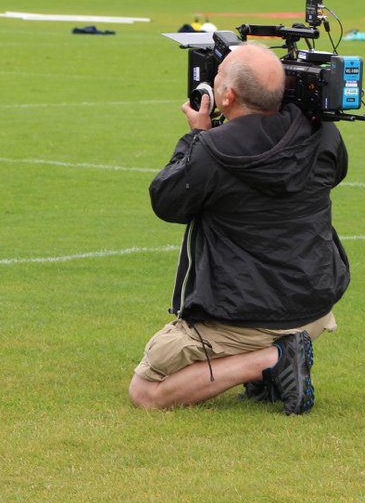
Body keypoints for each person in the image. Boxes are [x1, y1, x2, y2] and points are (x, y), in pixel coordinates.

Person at [129, 42, 350, 414]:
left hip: (247, 318)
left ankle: (272, 360)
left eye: (218, 75)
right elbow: (335, 172)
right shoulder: (323, 132)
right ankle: (272, 370)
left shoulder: (213, 150)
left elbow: (167, 201)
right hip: (313, 307)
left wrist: (196, 137)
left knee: (146, 391)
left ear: (228, 96)